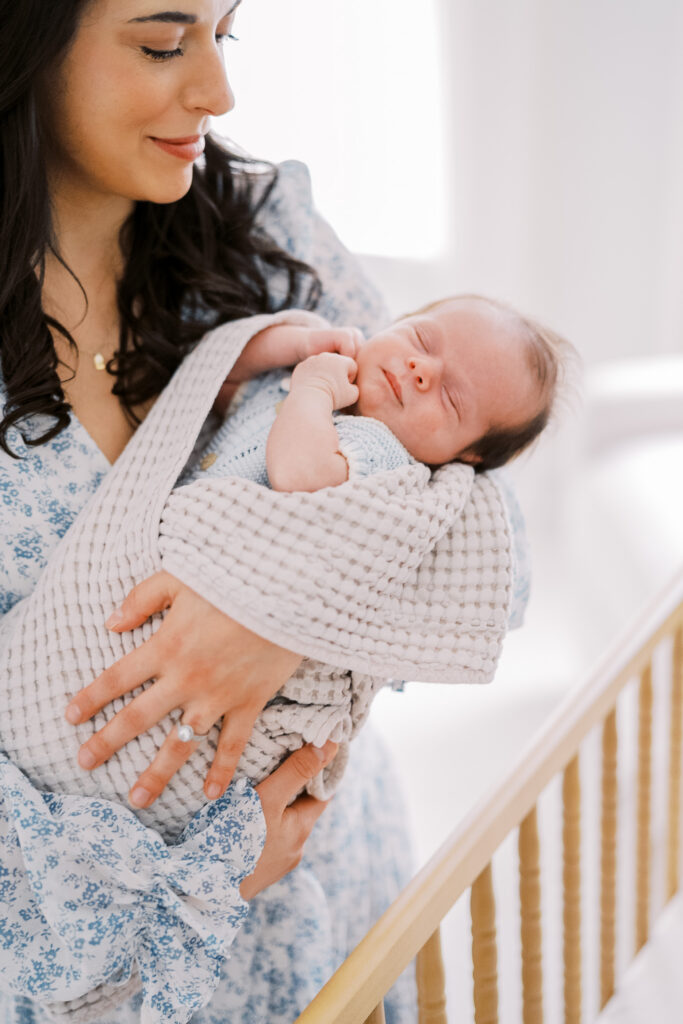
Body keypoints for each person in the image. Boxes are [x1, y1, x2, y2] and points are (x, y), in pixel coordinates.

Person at [0, 3, 531, 1024]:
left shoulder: (260, 231)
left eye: (222, 34)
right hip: (143, 979)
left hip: (339, 890)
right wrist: (213, 873)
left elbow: (495, 548)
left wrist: (274, 613)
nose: (217, 92)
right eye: (163, 44)